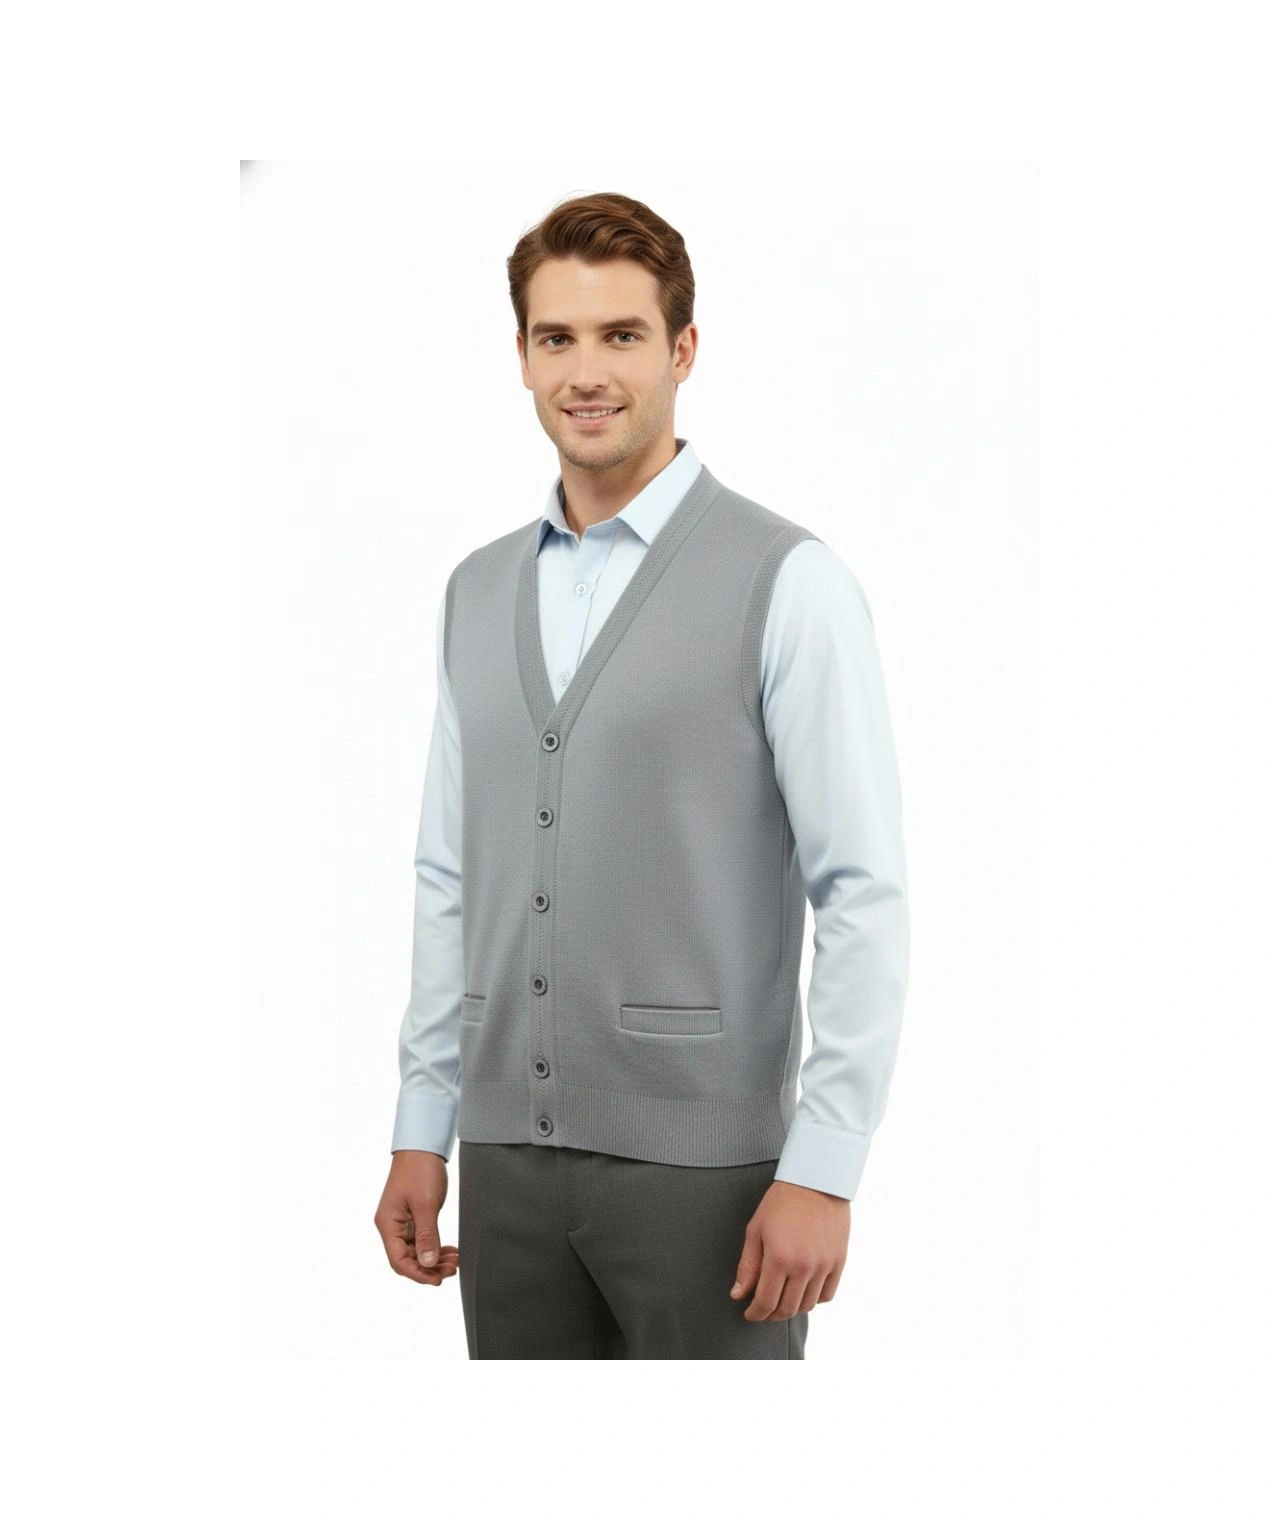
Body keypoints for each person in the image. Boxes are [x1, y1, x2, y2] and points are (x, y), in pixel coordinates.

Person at [373, 191, 910, 1358]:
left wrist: (823, 1164)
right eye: (555, 337)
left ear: (682, 349)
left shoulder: (789, 580)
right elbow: (448, 872)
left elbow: (860, 887)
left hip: (709, 1174)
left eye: (620, 334)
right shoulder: (474, 590)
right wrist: (423, 1121)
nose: (585, 372)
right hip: (503, 1163)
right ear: (521, 356)